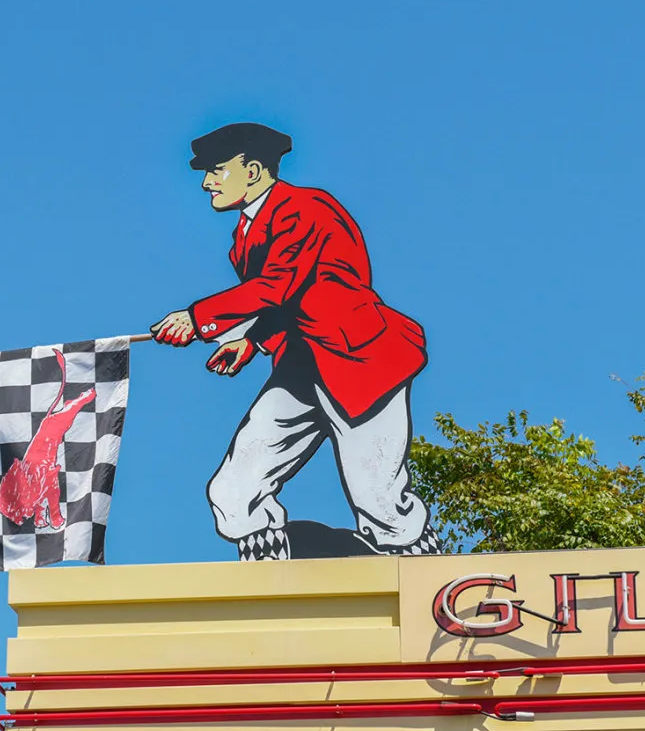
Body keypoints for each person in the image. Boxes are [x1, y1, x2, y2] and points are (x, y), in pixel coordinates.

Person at [152, 122, 441, 560]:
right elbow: (289, 304)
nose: (206, 181)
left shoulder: (303, 208)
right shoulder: (244, 235)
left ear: (251, 171)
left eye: (215, 170)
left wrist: (196, 318)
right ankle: (270, 590)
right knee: (234, 490)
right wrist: (251, 342)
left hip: (361, 363)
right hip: (303, 367)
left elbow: (278, 285)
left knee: (380, 502)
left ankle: (427, 587)